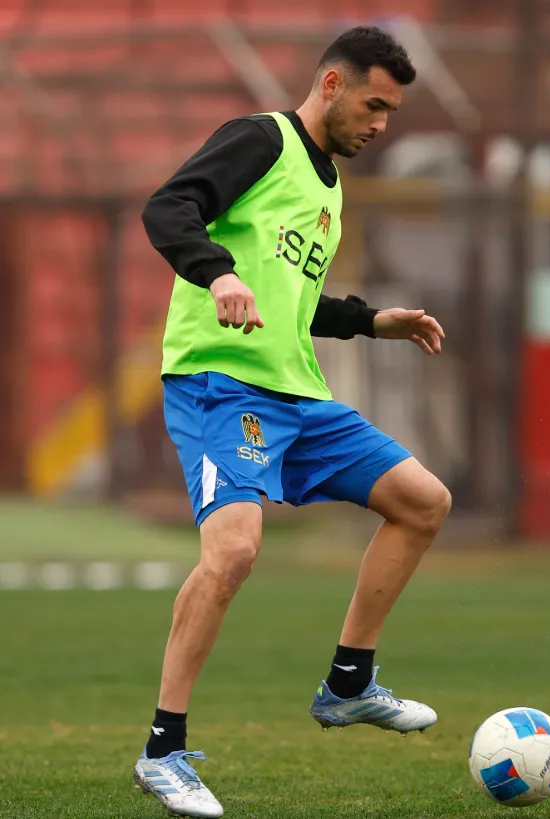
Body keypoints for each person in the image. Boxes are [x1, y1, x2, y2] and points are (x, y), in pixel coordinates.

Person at [134, 25, 451, 819]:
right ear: (334, 85)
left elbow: (296, 305)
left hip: (297, 396)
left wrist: (377, 319)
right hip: (223, 387)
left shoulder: (329, 189)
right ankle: (163, 751)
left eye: (392, 112)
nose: (381, 124)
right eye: (374, 104)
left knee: (424, 501)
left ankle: (349, 684)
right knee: (234, 548)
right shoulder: (262, 139)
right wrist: (217, 272)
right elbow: (169, 206)